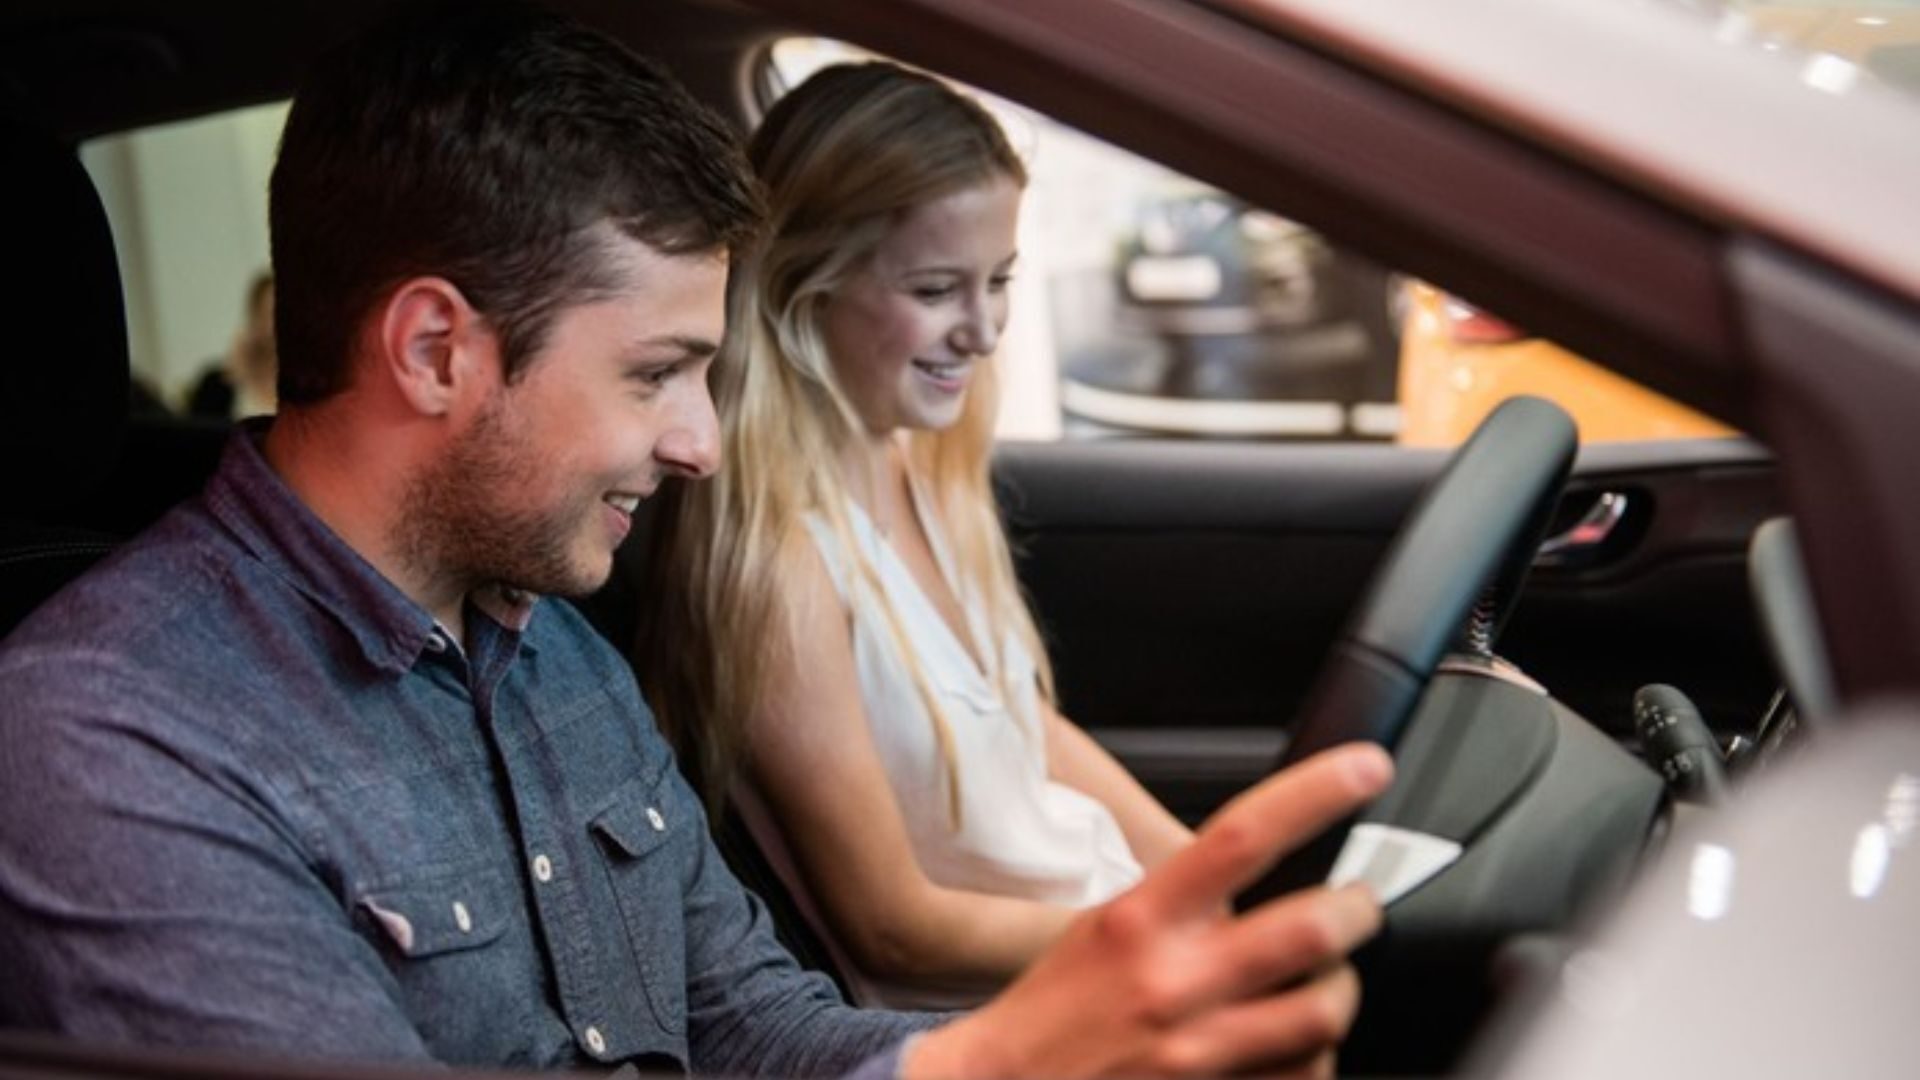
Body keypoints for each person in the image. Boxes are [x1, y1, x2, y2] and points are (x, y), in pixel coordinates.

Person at [0, 5, 1392, 1079]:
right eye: (654, 372)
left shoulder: (550, 652)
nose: (703, 446)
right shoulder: (108, 734)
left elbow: (752, 1024)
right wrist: (999, 1056)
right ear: (435, 352)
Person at [641, 63, 1189, 1009]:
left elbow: (1014, 723)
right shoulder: (781, 564)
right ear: (802, 285)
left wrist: (1201, 872)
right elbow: (893, 929)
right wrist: (1159, 938)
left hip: (1096, 950)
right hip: (1018, 1014)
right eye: (938, 289)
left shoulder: (921, 461)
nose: (983, 330)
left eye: (1001, 280)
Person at [186, 270, 277, 420]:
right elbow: (194, 438)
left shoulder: (310, 390)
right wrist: (232, 377)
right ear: (254, 319)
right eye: (268, 315)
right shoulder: (218, 385)